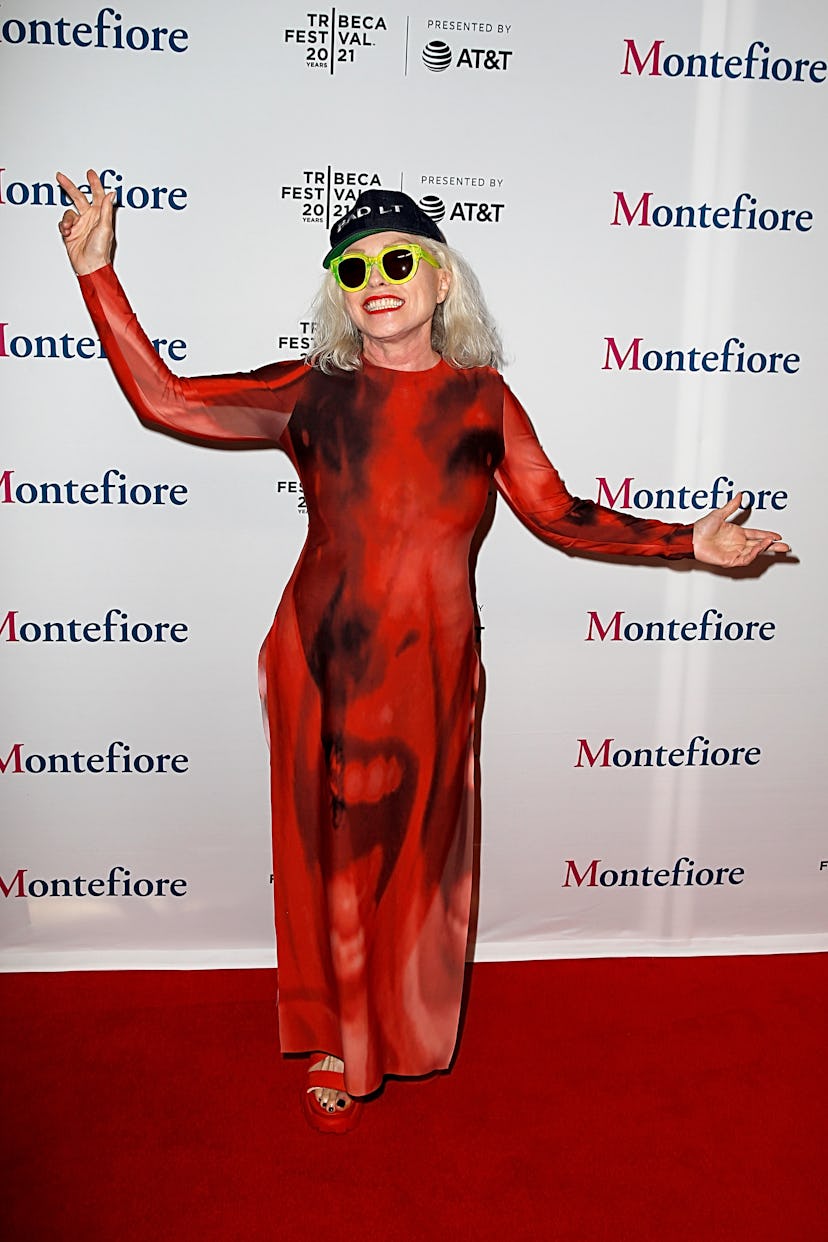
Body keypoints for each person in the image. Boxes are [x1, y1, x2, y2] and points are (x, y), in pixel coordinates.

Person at [57, 171, 789, 1133]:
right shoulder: (309, 393)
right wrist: (99, 274)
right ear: (340, 291)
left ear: (442, 280)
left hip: (433, 671)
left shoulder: (482, 400)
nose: (377, 279)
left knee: (412, 861)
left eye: (399, 260)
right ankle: (337, 1036)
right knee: (331, 856)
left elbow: (560, 516)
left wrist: (688, 542)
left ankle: (389, 1031)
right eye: (353, 268)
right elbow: (166, 400)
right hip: (319, 658)